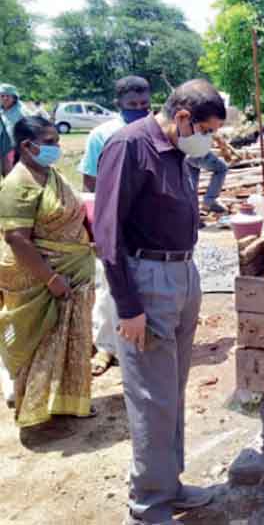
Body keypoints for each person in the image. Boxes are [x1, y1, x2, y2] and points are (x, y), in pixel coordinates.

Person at [95, 79, 225, 525]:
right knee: (152, 397)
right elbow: (107, 235)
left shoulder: (178, 152)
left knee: (172, 391)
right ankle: (148, 505)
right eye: (206, 130)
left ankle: (169, 485)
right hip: (147, 279)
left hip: (182, 274)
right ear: (183, 117)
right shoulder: (128, 147)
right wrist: (128, 306)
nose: (207, 140)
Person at [0, 116, 96, 431]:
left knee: (73, 338)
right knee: (42, 340)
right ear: (28, 146)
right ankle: (36, 404)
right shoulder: (18, 183)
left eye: (56, 140)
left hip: (75, 272)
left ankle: (68, 401)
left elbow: (74, 210)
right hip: (45, 279)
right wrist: (52, 280)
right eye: (51, 141)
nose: (57, 147)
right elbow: (16, 238)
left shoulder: (51, 175)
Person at [79, 76, 151, 377]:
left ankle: (140, 340)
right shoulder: (103, 134)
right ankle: (107, 346)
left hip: (147, 221)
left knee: (146, 283)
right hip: (115, 220)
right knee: (111, 284)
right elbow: (90, 183)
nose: (139, 109)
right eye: (132, 105)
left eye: (144, 104)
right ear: (117, 104)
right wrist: (99, 226)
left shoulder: (156, 130)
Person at [186, 142, 229, 215]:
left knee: (192, 180)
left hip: (187, 154)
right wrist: (224, 149)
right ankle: (209, 201)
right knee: (222, 168)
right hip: (199, 153)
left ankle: (190, 206)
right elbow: (217, 138)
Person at [0, 84, 28, 174]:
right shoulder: (1, 110)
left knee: (12, 174)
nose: (4, 98)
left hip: (15, 148)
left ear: (14, 98)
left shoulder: (22, 112)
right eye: (2, 96)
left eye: (8, 96)